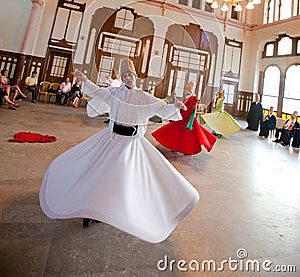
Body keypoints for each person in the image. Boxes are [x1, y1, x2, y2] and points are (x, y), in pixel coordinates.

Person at [39, 59, 199, 243]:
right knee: (99, 172)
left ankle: (116, 209)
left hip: (131, 144)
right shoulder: (114, 92)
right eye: (124, 76)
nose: (128, 78)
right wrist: (85, 80)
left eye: (130, 75)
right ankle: (91, 209)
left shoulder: (144, 96)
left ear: (135, 76)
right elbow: (98, 92)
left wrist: (175, 106)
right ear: (122, 78)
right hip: (111, 139)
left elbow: (161, 108)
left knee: (120, 178)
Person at [152, 82, 217, 155]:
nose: (184, 91)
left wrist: (181, 111)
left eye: (186, 89)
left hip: (187, 120)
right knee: (178, 134)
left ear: (189, 90)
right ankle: (176, 148)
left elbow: (189, 110)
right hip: (184, 119)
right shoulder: (189, 98)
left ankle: (183, 149)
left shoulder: (192, 98)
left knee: (186, 136)